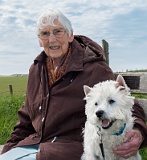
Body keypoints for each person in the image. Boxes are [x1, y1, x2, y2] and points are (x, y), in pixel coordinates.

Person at [0, 8, 147, 160]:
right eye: (45, 34)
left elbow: (125, 102)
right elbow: (26, 117)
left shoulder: (94, 69)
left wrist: (138, 132)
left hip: (71, 148)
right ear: (39, 40)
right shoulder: (37, 69)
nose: (52, 40)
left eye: (58, 31)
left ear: (70, 35)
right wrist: (9, 149)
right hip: (35, 144)